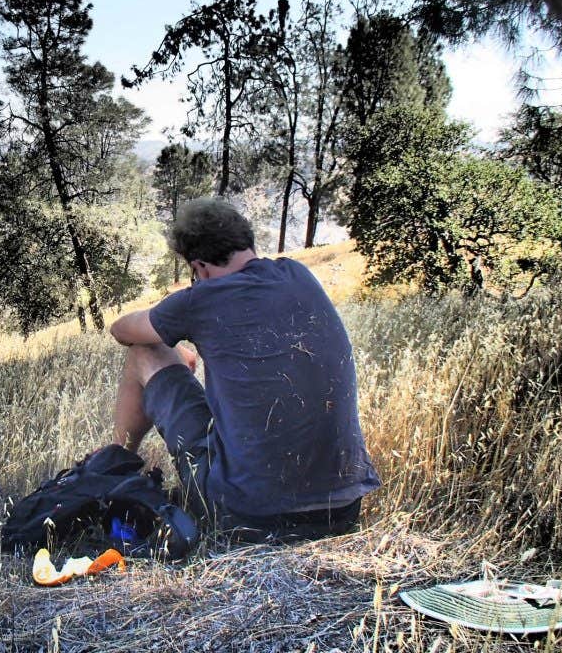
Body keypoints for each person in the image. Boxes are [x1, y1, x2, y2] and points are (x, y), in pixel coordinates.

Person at [109, 197, 380, 540]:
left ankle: (114, 464)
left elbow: (121, 330)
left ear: (200, 267)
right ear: (248, 243)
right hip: (341, 511)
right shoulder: (297, 274)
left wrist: (174, 333)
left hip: (249, 516)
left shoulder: (201, 298)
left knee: (144, 353)